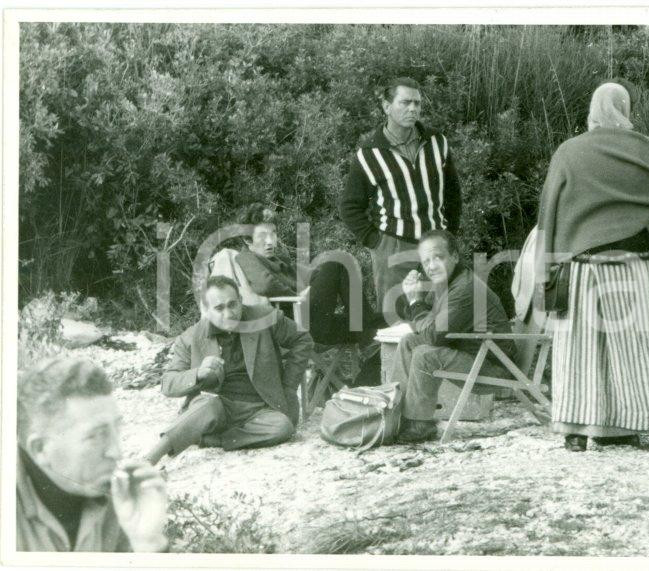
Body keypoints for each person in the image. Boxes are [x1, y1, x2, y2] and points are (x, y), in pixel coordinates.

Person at [535, 81, 649, 452]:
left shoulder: (569, 151)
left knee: (579, 349)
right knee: (633, 348)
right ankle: (634, 426)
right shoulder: (648, 149)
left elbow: (549, 212)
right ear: (626, 109)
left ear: (593, 109)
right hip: (634, 263)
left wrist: (545, 270)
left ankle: (576, 429)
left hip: (582, 264)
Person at [145, 275, 313, 465]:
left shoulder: (265, 318)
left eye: (233, 304)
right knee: (206, 405)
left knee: (282, 427)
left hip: (262, 408)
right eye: (219, 308)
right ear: (206, 310)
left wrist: (289, 386)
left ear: (241, 301)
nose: (228, 314)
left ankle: (209, 439)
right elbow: (168, 384)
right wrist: (198, 373)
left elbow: (303, 340)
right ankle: (151, 457)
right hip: (217, 407)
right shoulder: (190, 337)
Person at [17, 357, 168, 552]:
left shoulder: (116, 498)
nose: (117, 452)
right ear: (40, 449)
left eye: (117, 429)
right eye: (95, 436)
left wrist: (149, 543)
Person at [340, 77, 462, 316]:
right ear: (387, 107)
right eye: (405, 102)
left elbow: (453, 194)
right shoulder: (369, 153)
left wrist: (449, 234)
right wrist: (377, 243)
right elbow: (349, 206)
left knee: (443, 316)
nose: (413, 109)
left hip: (436, 245)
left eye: (417, 103)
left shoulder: (437, 142)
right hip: (395, 246)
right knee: (394, 318)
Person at [235, 204, 386, 386]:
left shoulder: (277, 258)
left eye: (273, 233)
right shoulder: (246, 258)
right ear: (247, 240)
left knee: (384, 321)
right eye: (263, 236)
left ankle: (358, 386)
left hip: (315, 322)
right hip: (296, 327)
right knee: (337, 266)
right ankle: (368, 339)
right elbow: (264, 284)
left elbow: (311, 274)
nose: (270, 241)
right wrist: (299, 294)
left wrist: (311, 283)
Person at [389, 230, 514, 443]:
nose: (431, 266)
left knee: (424, 354)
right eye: (425, 261)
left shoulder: (464, 288)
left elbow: (433, 336)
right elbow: (421, 319)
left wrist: (414, 301)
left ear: (455, 256)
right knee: (409, 342)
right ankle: (394, 413)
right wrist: (410, 295)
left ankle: (420, 424)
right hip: (471, 356)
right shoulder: (446, 283)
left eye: (438, 257)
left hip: (495, 366)